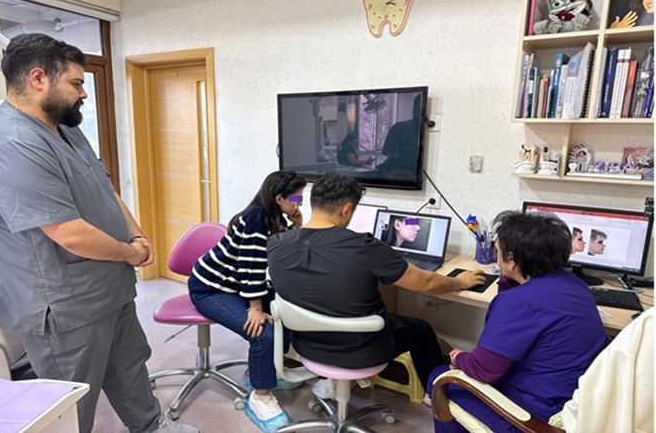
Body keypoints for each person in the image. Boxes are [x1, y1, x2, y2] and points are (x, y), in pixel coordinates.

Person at [0, 33, 197, 433]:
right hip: (65, 304)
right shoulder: (12, 143)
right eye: (76, 83)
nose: (84, 93)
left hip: (108, 286)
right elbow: (68, 233)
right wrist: (131, 253)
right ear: (38, 79)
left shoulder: (64, 128)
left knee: (130, 365)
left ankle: (151, 426)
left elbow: (103, 184)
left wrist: (136, 235)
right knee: (72, 399)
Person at [267, 172, 485, 396]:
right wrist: (459, 281)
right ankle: (437, 396)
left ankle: (333, 382)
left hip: (307, 346)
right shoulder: (363, 246)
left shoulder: (276, 244)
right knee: (422, 330)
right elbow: (427, 283)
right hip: (362, 351)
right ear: (346, 209)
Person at [428, 210, 607, 433]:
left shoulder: (519, 302)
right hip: (577, 401)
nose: (496, 257)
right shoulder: (576, 285)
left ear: (511, 259)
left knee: (440, 378)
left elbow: (484, 370)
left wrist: (458, 358)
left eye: (498, 252)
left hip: (535, 416)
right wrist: (510, 275)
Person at [188, 170, 307, 433]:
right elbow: (251, 265)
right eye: (296, 199)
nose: (299, 204)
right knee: (262, 332)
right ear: (278, 198)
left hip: (235, 285)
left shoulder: (274, 217)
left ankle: (267, 372)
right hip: (210, 288)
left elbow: (282, 250)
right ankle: (260, 396)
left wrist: (297, 225)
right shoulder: (257, 217)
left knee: (288, 311)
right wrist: (255, 308)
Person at [379, 94, 421, 180]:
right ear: (414, 110)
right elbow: (393, 161)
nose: (423, 115)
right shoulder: (400, 128)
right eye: (419, 110)